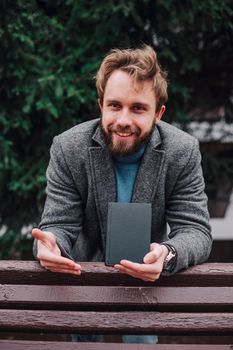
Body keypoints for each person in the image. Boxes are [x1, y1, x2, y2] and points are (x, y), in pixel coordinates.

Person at [32, 45, 212, 342]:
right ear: (101, 104)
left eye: (138, 108)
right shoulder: (68, 148)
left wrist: (167, 254)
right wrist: (52, 245)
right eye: (115, 105)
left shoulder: (182, 151)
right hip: (84, 294)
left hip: (145, 295)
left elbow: (195, 230)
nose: (124, 120)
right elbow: (59, 226)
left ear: (158, 113)